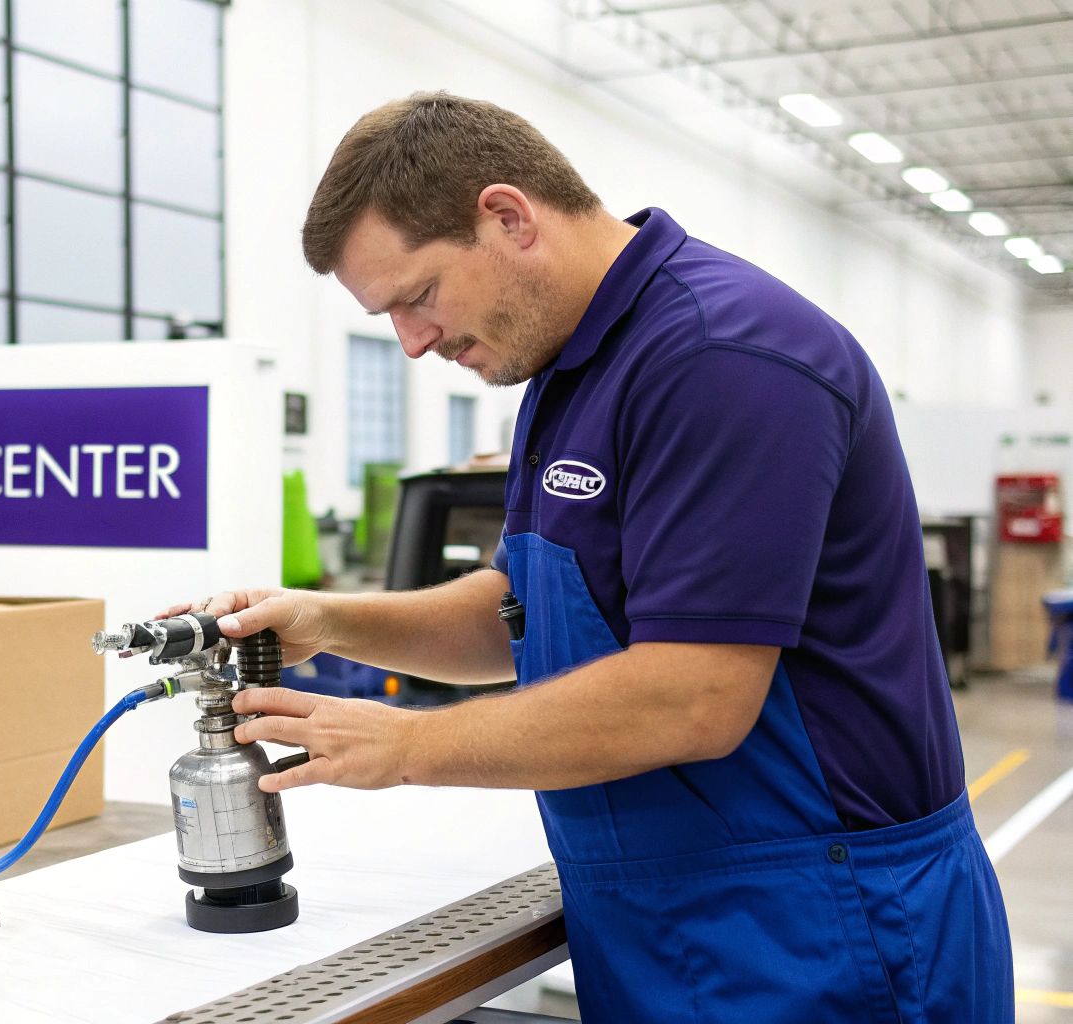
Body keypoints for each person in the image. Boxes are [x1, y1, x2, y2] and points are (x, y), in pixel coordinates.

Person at [172, 93, 1012, 1022]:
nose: (413, 343)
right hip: (671, 916)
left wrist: (407, 745)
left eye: (419, 296)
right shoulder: (570, 365)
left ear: (507, 216)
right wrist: (330, 620)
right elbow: (528, 612)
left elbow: (694, 698)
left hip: (825, 927)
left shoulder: (726, 356)